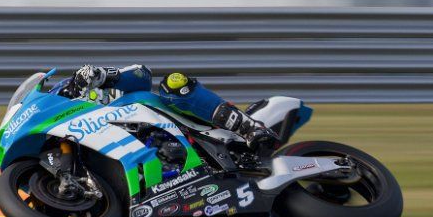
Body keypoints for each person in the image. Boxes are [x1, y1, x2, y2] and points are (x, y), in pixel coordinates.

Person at [59, 63, 275, 148]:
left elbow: (142, 75)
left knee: (173, 83)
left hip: (173, 125)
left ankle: (250, 127)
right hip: (148, 156)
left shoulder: (93, 92)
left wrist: (102, 75)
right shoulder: (76, 134)